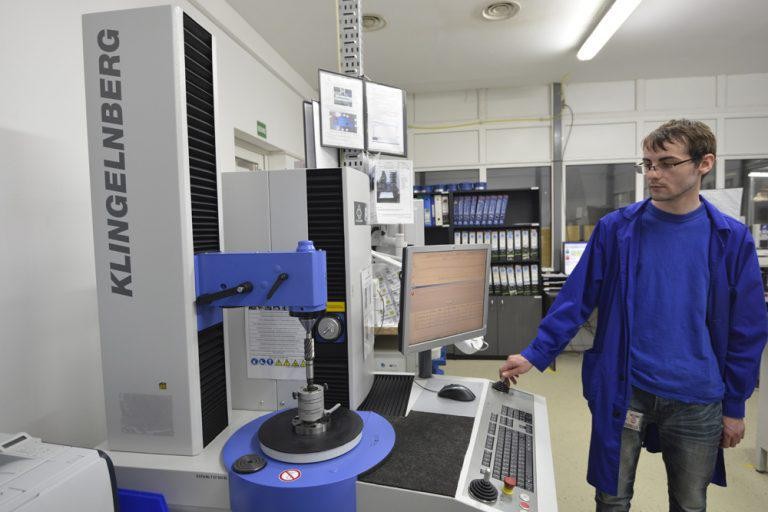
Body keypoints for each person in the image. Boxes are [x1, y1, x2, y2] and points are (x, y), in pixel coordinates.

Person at [499, 119, 767, 511]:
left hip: (698, 397)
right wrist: (535, 353)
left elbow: (747, 329)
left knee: (690, 503)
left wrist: (735, 406)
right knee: (612, 497)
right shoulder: (617, 229)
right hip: (626, 388)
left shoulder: (730, 238)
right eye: (648, 164)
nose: (654, 174)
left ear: (704, 163)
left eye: (667, 163)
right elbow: (576, 298)